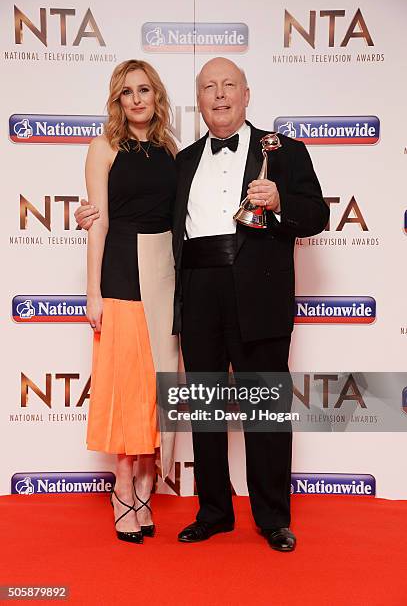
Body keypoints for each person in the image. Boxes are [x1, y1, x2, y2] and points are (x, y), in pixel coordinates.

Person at [77, 57, 329, 552]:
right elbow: (136, 210)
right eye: (209, 87)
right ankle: (214, 511)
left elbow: (317, 213)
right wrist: (90, 214)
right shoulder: (183, 158)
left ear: (247, 93)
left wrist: (279, 201)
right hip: (195, 289)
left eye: (228, 85)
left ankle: (273, 517)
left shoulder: (284, 152)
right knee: (208, 410)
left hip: (258, 290)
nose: (219, 95)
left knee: (266, 410)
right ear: (199, 99)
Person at [84, 59, 178, 544]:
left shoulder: (170, 149)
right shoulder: (102, 148)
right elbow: (96, 221)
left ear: (155, 96)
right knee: (126, 381)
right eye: (127, 92)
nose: (136, 99)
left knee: (156, 382)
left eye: (144, 90)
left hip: (163, 272)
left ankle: (147, 479)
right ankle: (124, 486)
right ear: (117, 100)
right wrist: (92, 289)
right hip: (121, 267)